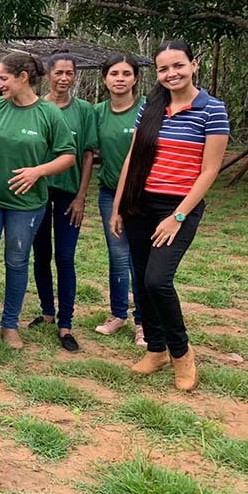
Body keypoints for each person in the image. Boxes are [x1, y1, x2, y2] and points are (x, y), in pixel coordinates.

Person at [111, 40, 228, 391]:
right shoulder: (150, 105)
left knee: (157, 281)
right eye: (163, 69)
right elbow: (132, 159)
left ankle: (182, 354)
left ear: (194, 64)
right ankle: (156, 349)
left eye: (178, 66)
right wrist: (118, 205)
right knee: (143, 280)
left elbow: (209, 172)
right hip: (140, 204)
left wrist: (177, 217)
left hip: (179, 207)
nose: (171, 74)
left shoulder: (212, 109)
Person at [0, 53, 76, 349]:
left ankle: (10, 325)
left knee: (17, 261)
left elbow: (68, 155)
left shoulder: (49, 114)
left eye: (3, 78)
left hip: (27, 204)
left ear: (23, 78)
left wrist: (39, 171)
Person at [28, 52, 97, 351]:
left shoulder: (84, 111)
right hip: (39, 193)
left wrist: (81, 196)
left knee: (65, 257)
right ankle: (47, 312)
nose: (64, 78)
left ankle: (66, 323)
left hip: (70, 194)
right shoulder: (36, 107)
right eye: (59, 73)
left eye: (69, 73)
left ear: (75, 76)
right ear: (48, 75)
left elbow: (87, 154)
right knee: (40, 255)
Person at [93, 54, 145, 344]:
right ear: (105, 79)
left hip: (142, 196)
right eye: (114, 73)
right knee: (117, 255)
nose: (120, 79)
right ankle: (118, 314)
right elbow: (88, 151)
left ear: (135, 78)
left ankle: (143, 321)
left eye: (126, 73)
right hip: (110, 193)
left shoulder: (147, 109)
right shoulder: (97, 113)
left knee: (139, 257)